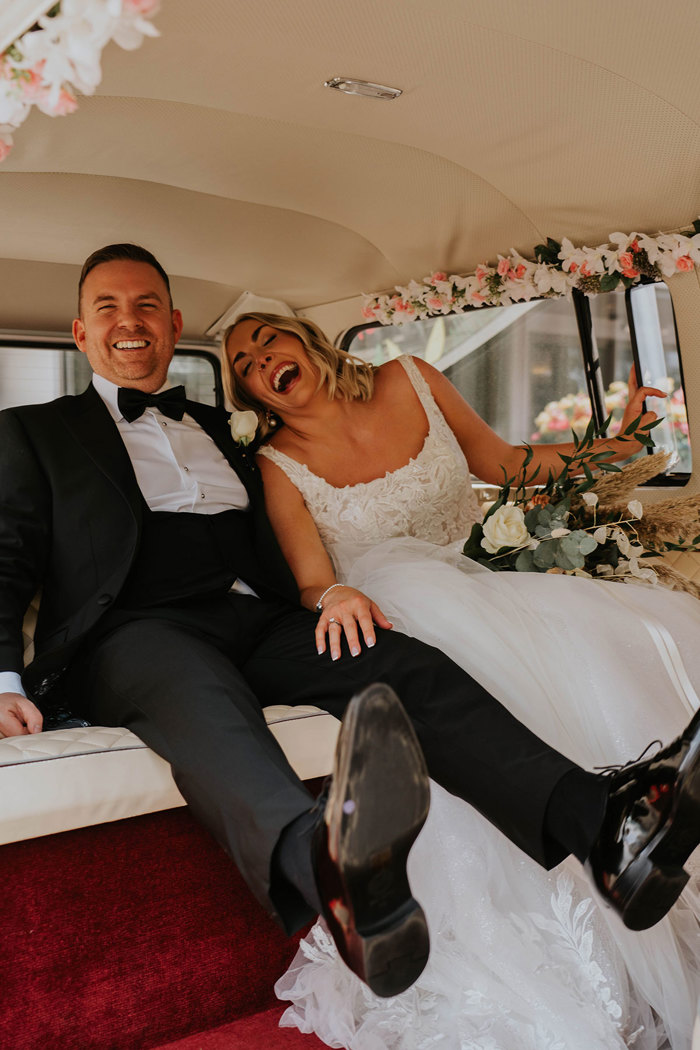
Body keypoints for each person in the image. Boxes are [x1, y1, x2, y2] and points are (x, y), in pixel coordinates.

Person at [224, 310, 700, 1049]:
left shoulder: (411, 377)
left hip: (488, 579)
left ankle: (649, 829)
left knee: (634, 633)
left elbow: (507, 462)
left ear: (305, 341)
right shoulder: (277, 463)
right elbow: (315, 582)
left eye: (267, 340)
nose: (261, 360)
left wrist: (622, 445)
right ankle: (599, 889)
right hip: (399, 607)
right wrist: (334, 598)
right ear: (254, 397)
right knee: (471, 670)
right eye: (245, 364)